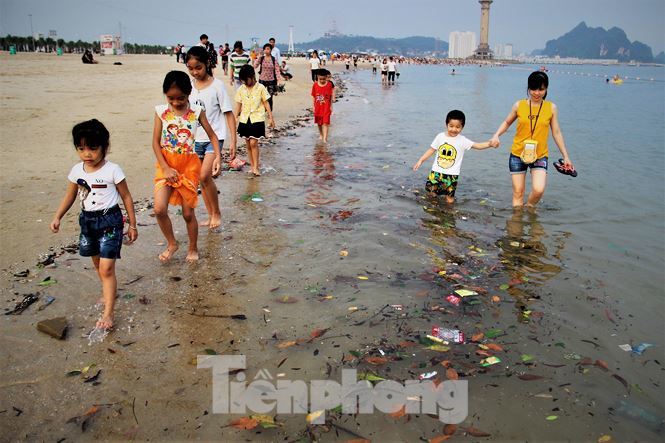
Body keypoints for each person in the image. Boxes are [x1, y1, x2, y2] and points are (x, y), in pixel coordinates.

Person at [50, 119, 138, 330]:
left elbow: (126, 197)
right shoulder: (77, 171)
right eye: (81, 148)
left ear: (104, 147)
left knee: (107, 268)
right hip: (88, 221)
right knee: (98, 264)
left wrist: (132, 225)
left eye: (92, 148)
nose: (87, 153)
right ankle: (109, 291)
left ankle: (108, 313)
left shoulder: (113, 170)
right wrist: (57, 216)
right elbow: (70, 196)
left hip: (110, 221)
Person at [152, 71, 221, 262]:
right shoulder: (161, 112)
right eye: (171, 98)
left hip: (188, 167)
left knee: (188, 213)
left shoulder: (197, 112)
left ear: (189, 93)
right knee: (159, 209)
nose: (175, 102)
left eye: (180, 98)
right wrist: (165, 168)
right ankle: (172, 243)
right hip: (165, 164)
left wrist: (217, 157)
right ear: (165, 95)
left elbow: (213, 136)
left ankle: (192, 248)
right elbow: (155, 143)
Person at [490, 71, 574, 208]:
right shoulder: (519, 105)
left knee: (538, 190)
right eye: (533, 89)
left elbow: (556, 132)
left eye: (541, 89)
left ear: (546, 89)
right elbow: (506, 122)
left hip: (540, 155)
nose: (536, 93)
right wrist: (496, 135)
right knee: (518, 192)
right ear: (528, 88)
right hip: (518, 153)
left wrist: (566, 156)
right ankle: (516, 225)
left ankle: (529, 208)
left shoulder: (551, 108)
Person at [186, 46, 237, 230]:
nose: (194, 72)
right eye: (190, 68)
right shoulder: (189, 87)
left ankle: (217, 213)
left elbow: (228, 113)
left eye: (198, 67)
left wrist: (233, 140)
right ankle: (210, 214)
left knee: (205, 175)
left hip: (214, 138)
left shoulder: (217, 86)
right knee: (202, 180)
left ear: (207, 64)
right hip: (194, 139)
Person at [413, 110, 497, 204]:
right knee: (431, 195)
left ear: (462, 127)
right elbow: (431, 150)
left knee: (449, 198)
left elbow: (477, 145)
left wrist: (490, 144)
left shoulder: (462, 140)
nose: (454, 129)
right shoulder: (440, 137)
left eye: (458, 127)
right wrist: (421, 160)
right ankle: (432, 211)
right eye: (451, 126)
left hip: (452, 175)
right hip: (436, 173)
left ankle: (449, 213)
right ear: (446, 124)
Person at [234, 64, 275, 176]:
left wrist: (271, 118)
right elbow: (238, 104)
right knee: (248, 144)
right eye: (243, 81)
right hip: (244, 119)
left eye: (246, 80)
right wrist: (235, 117)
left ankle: (256, 167)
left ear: (252, 76)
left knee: (253, 143)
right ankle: (252, 167)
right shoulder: (241, 89)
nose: (245, 83)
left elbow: (266, 103)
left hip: (257, 118)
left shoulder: (260, 87)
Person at [311, 68, 335, 143]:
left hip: (326, 107)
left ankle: (325, 138)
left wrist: (331, 106)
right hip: (318, 107)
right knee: (319, 123)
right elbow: (313, 96)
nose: (322, 81)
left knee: (325, 123)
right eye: (320, 79)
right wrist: (313, 106)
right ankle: (321, 134)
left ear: (326, 77)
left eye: (324, 79)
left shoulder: (329, 85)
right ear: (318, 76)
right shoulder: (315, 85)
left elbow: (330, 96)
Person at [255, 43, 281, 111]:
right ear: (263, 50)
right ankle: (262, 110)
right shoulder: (261, 58)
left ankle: (269, 111)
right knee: (260, 96)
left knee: (269, 97)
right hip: (262, 80)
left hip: (271, 81)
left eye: (268, 49)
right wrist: (259, 57)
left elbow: (277, 70)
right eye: (265, 49)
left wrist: (278, 80)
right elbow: (255, 66)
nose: (267, 50)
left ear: (271, 50)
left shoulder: (273, 59)